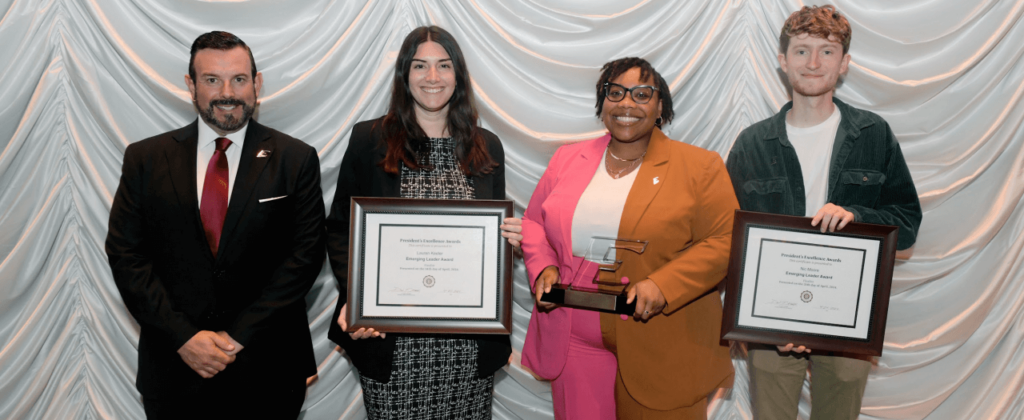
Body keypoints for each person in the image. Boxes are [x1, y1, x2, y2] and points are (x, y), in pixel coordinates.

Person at [105, 31, 325, 419]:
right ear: (190, 86)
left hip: (269, 369)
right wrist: (185, 338)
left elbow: (304, 259)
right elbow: (127, 256)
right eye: (212, 80)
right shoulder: (145, 159)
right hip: (175, 369)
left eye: (239, 79)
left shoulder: (296, 159)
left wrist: (237, 338)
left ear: (256, 84)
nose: (228, 92)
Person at [726, 6, 923, 420]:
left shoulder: (874, 134)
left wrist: (856, 214)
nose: (813, 63)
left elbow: (906, 225)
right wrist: (774, 321)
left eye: (827, 51)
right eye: (801, 51)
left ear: (845, 62)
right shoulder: (752, 143)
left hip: (848, 323)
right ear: (782, 61)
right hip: (770, 325)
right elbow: (730, 239)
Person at [520, 57, 738, 420]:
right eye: (616, 92)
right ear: (602, 102)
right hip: (574, 336)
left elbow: (725, 240)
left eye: (641, 94)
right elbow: (534, 223)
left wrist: (663, 285)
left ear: (660, 107)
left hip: (660, 334)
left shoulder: (700, 167)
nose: (626, 103)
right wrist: (543, 267)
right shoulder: (566, 158)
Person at [325, 26, 521, 419]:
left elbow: (486, 240)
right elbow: (342, 228)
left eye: (443, 66)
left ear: (458, 75)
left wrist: (508, 242)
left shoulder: (487, 146)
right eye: (420, 66)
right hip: (390, 342)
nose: (433, 78)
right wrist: (358, 297)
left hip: (467, 345)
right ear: (404, 74)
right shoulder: (370, 139)